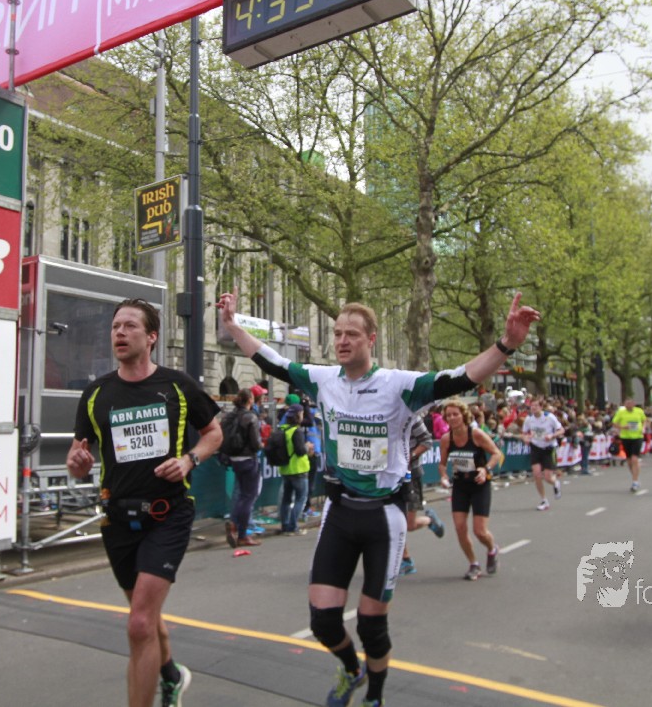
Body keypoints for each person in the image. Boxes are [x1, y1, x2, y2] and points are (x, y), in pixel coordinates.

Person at [219, 288, 539, 707]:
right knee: (323, 622)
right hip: (339, 510)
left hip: (384, 516)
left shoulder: (398, 385)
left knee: (371, 625)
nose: (342, 341)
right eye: (337, 333)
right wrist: (232, 326)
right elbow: (271, 361)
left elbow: (461, 377)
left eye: (351, 334)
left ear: (371, 339)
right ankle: (351, 669)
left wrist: (507, 344)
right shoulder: (322, 380)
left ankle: (375, 696)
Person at [66, 298, 221, 707]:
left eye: (130, 326)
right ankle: (171, 676)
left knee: (138, 622)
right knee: (146, 617)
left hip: (167, 514)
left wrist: (189, 460)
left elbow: (214, 433)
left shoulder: (177, 386)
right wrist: (77, 464)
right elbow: (77, 457)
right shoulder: (96, 393)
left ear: (151, 337)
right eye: (115, 326)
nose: (119, 332)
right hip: (117, 519)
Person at [437, 398, 504, 580]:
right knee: (460, 528)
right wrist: (443, 476)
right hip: (460, 485)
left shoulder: (476, 434)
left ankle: (492, 549)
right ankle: (474, 564)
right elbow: (442, 464)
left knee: (479, 531)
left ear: (463, 415)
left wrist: (485, 469)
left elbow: (496, 453)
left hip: (479, 484)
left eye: (455, 414)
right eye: (448, 415)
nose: (452, 418)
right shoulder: (446, 439)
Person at [398, 416, 445, 576]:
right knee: (395, 521)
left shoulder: (411, 417)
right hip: (391, 476)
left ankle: (429, 520)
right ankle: (406, 560)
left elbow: (427, 441)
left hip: (411, 474)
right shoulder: (383, 416)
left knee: (409, 525)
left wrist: (409, 456)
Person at [223, 389, 264, 548]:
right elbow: (255, 443)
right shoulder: (250, 417)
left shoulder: (230, 416)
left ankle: (234, 525)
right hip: (248, 459)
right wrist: (261, 444)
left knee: (241, 495)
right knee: (248, 497)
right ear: (250, 400)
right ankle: (242, 534)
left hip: (234, 459)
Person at [521, 398, 563, 510]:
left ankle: (555, 483)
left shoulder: (549, 417)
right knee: (537, 474)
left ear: (541, 407)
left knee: (548, 477)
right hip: (536, 447)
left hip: (549, 448)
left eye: (536, 405)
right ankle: (544, 500)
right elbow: (524, 433)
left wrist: (552, 436)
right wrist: (526, 439)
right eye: (532, 406)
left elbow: (561, 430)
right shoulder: (529, 419)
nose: (533, 408)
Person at [277, 403, 313, 535]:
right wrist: (307, 446)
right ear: (298, 415)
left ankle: (285, 525)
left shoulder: (283, 429)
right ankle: (293, 527)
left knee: (286, 499)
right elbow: (300, 451)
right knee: (300, 498)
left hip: (286, 470)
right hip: (298, 469)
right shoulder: (296, 431)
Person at [612, 397, 648, 492]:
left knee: (634, 459)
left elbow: (644, 420)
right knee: (629, 461)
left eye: (630, 403)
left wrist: (643, 428)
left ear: (634, 404)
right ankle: (635, 477)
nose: (629, 405)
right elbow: (614, 423)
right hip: (626, 437)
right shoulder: (621, 412)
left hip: (637, 436)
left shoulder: (639, 411)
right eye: (627, 404)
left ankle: (635, 481)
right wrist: (622, 427)